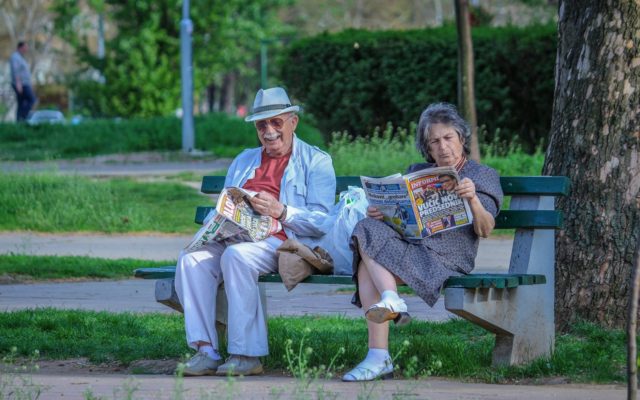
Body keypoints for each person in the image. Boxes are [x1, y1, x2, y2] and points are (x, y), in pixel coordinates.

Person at [175, 87, 336, 377]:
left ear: (293, 122)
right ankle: (206, 351)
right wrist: (217, 222)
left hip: (282, 242)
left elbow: (323, 222)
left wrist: (281, 211)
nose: (269, 131)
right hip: (236, 237)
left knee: (237, 257)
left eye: (276, 122)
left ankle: (246, 355)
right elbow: (226, 202)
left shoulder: (316, 161)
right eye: (262, 125)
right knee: (191, 259)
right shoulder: (244, 160)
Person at [342, 103, 503, 382]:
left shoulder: (481, 176)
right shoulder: (418, 171)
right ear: (427, 148)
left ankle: (378, 355)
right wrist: (382, 213)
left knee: (367, 266)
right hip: (412, 248)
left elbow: (486, 229)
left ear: (461, 138)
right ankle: (390, 303)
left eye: (448, 138)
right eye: (434, 141)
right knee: (366, 227)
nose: (443, 147)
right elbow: (401, 219)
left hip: (447, 259)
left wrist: (473, 199)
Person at [9, 42, 36, 122]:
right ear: (20, 47)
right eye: (25, 47)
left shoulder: (21, 57)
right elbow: (16, 71)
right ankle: (23, 117)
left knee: (21, 103)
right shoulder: (15, 57)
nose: (26, 49)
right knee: (32, 99)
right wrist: (18, 84)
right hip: (21, 84)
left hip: (24, 83)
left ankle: (19, 121)